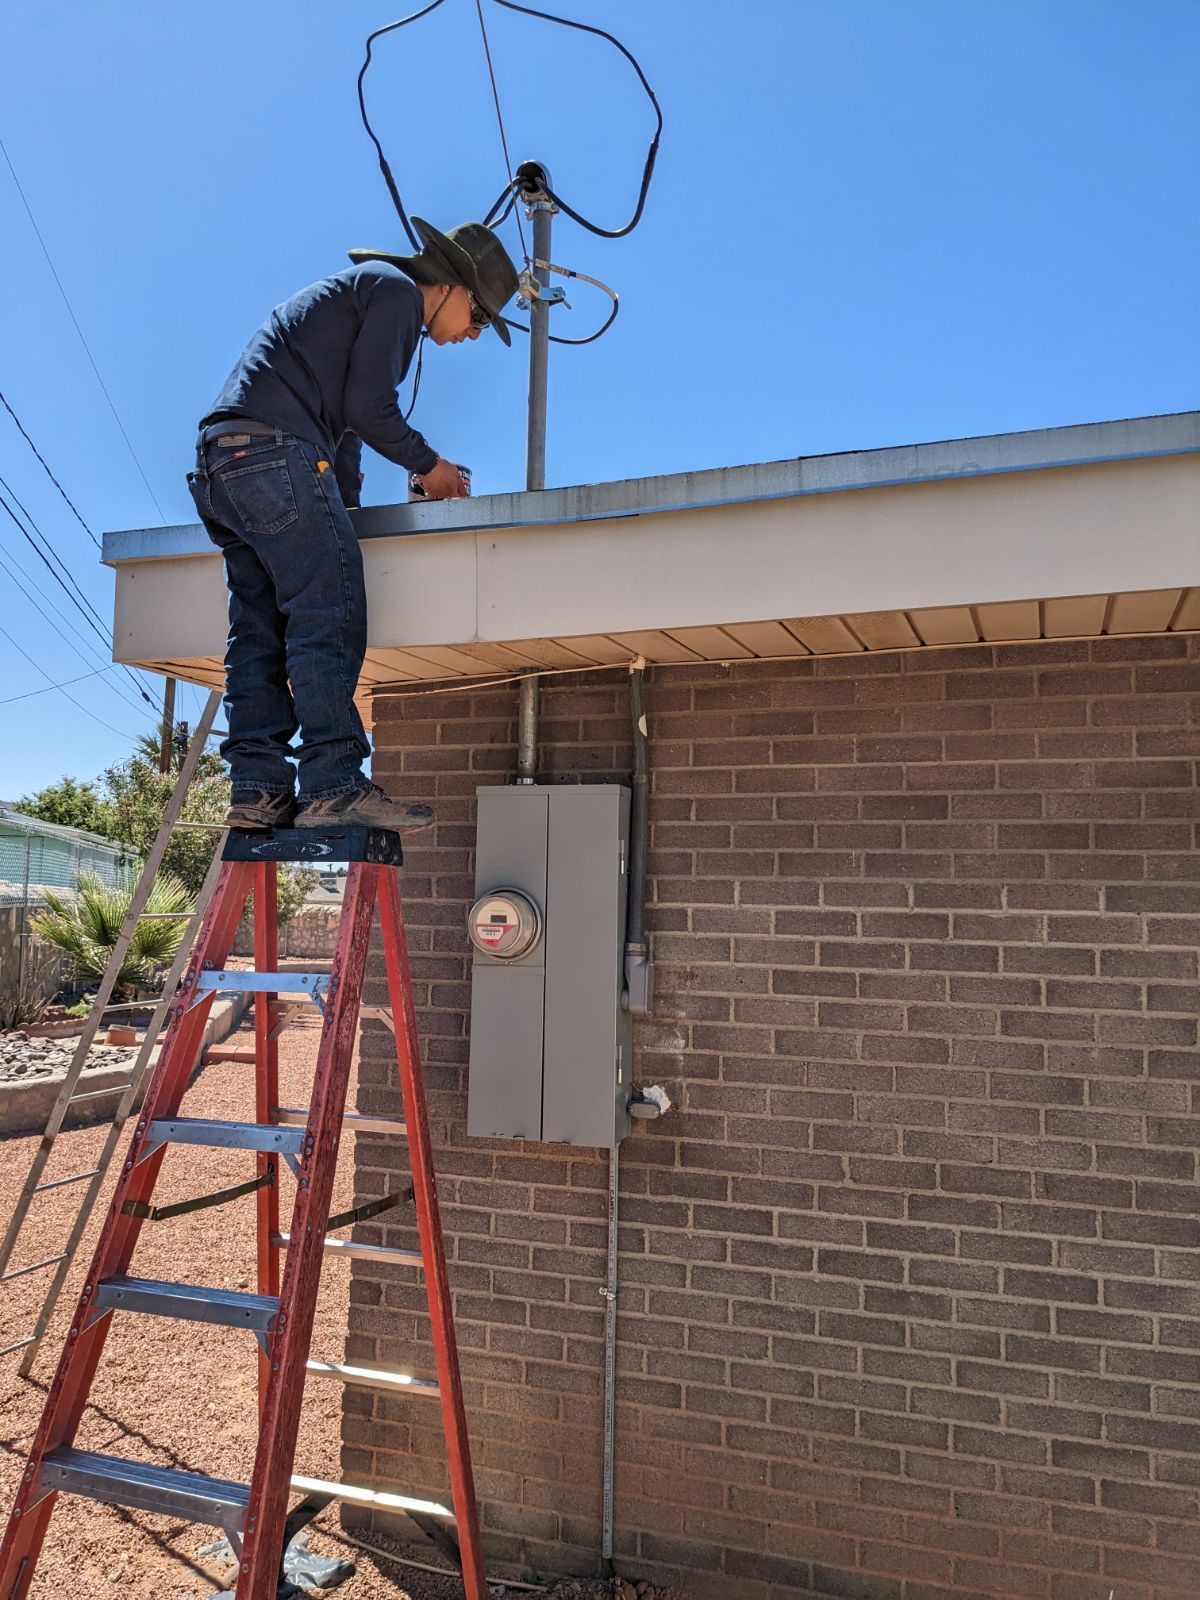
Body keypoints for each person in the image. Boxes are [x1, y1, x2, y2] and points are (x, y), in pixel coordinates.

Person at [186, 218, 519, 832]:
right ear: (450, 286)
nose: (472, 334)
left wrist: (344, 512)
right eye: (478, 316)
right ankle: (333, 783)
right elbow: (372, 407)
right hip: (278, 454)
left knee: (259, 628)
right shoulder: (396, 292)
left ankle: (257, 790)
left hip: (224, 465)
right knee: (327, 613)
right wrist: (431, 466)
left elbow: (344, 427)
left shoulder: (362, 294)